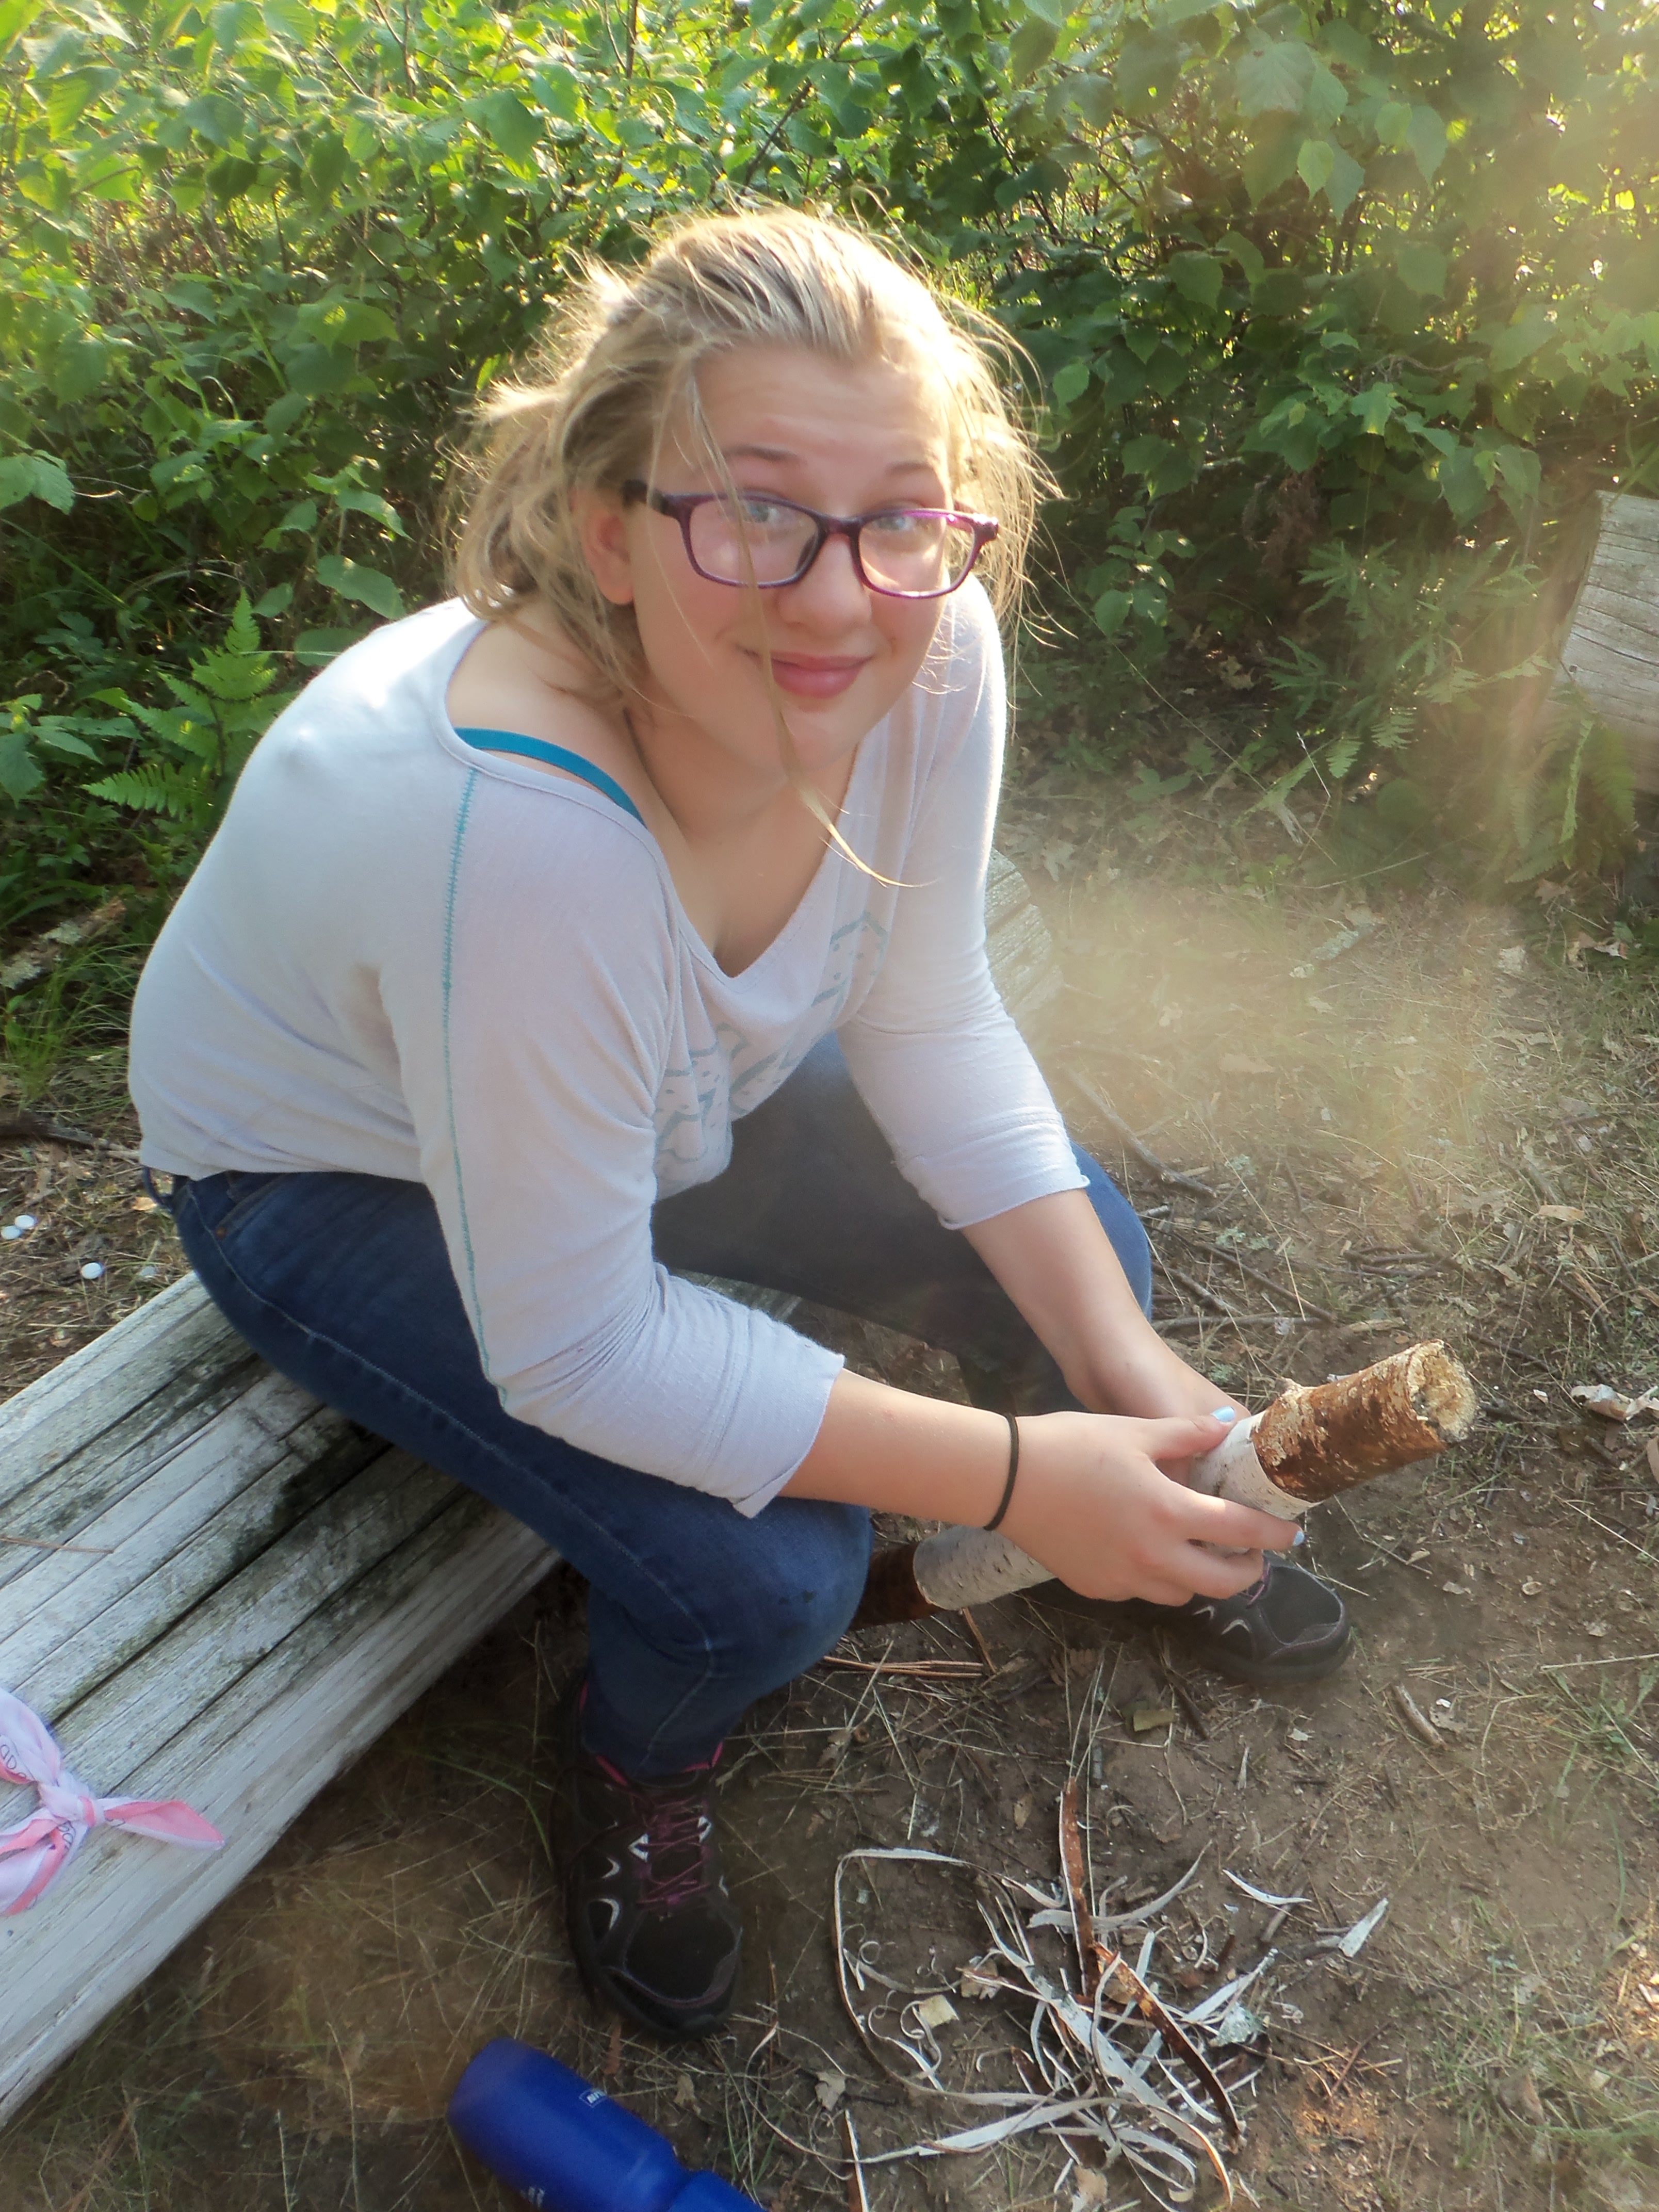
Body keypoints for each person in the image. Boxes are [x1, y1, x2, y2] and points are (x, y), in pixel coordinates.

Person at [128, 208, 1347, 2045]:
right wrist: (1015, 1476)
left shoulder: (928, 645)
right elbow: (578, 1344)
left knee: (1095, 1275)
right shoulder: (513, 830)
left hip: (662, 1100)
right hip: (330, 1174)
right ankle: (638, 1756)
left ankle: (1129, 1519)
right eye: (758, 511)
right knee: (763, 1582)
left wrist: (1125, 1376)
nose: (840, 597)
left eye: (900, 515)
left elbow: (928, 1011)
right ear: (608, 531)